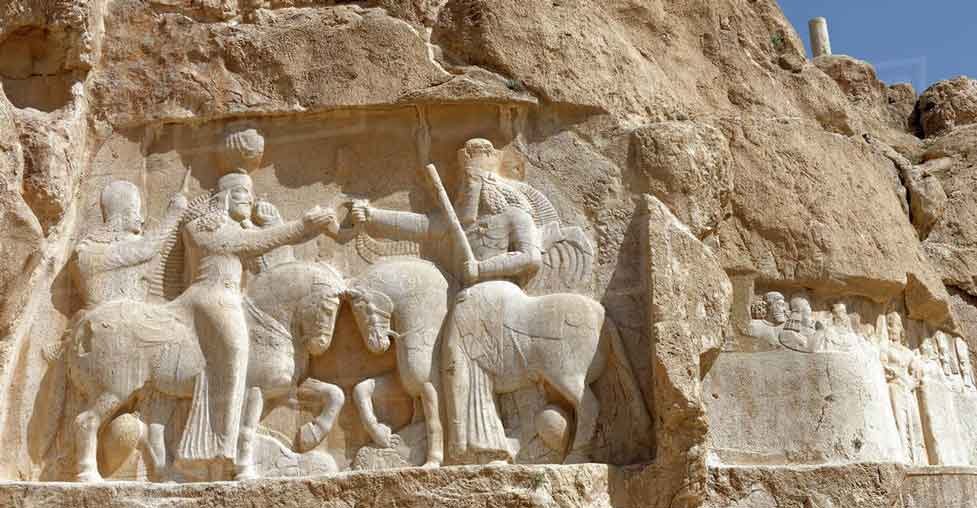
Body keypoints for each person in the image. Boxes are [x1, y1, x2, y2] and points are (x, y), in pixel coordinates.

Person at [174, 170, 337, 472]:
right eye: (240, 193)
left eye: (250, 195)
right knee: (237, 351)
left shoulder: (239, 230)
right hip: (211, 297)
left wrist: (279, 223)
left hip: (231, 300)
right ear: (222, 198)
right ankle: (223, 445)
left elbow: (271, 267)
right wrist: (302, 225)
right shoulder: (205, 226)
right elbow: (257, 242)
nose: (247, 200)